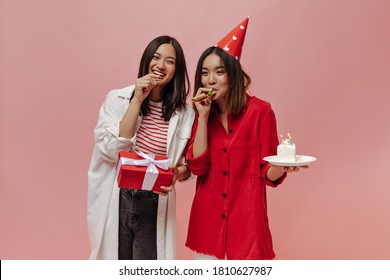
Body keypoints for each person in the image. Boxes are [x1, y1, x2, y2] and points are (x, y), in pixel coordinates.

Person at [185, 18, 307, 260]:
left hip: (248, 229)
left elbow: (268, 174)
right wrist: (202, 115)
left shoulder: (260, 112)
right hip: (207, 228)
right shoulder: (203, 112)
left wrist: (281, 166)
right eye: (205, 73)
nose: (211, 79)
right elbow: (198, 167)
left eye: (219, 72)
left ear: (232, 75)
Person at [87, 35, 195, 260]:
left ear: (177, 69)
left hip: (154, 200)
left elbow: (189, 165)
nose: (161, 65)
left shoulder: (185, 114)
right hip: (119, 197)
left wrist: (176, 174)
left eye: (170, 61)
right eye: (156, 57)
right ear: (146, 60)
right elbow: (111, 149)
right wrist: (137, 100)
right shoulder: (118, 99)